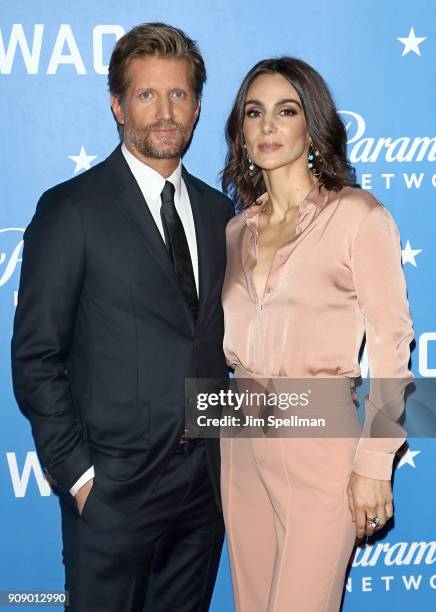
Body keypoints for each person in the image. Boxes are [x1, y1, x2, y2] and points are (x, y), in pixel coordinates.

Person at [11, 22, 233, 612]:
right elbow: (35, 357)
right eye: (146, 95)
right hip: (113, 493)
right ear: (117, 104)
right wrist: (81, 478)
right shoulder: (71, 210)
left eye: (179, 95)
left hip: (206, 491)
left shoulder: (220, 213)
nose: (165, 112)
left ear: (197, 106)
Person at [220, 57, 414, 611]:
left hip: (319, 434)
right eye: (253, 113)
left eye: (286, 111)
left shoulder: (357, 215)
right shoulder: (235, 231)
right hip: (237, 435)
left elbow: (393, 347)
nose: (267, 126)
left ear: (313, 127)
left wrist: (375, 463)